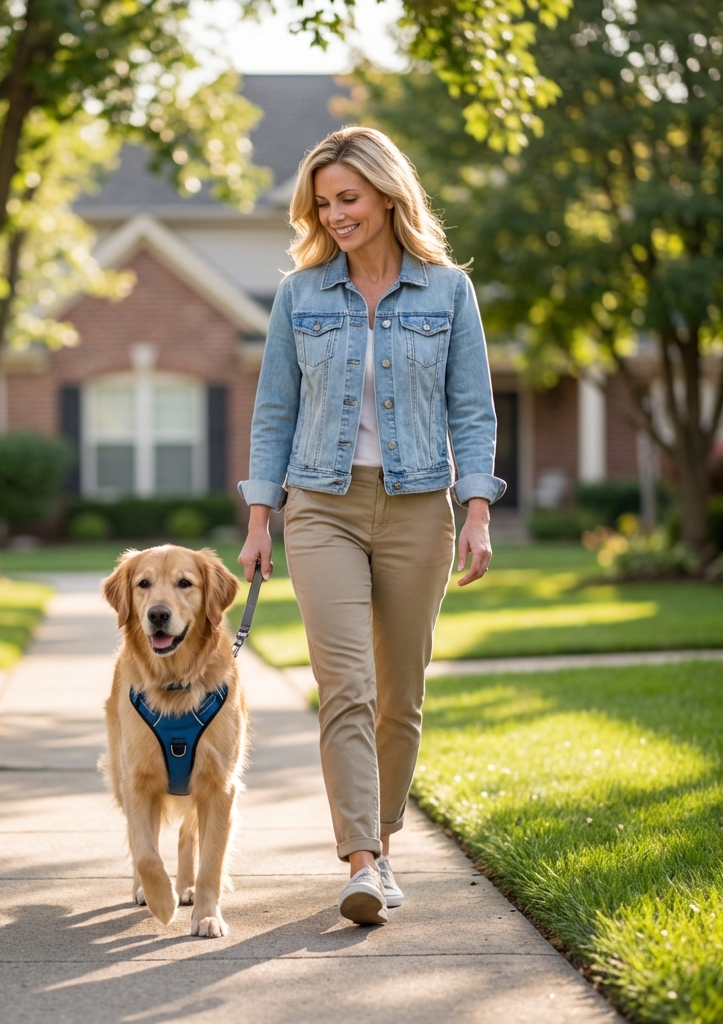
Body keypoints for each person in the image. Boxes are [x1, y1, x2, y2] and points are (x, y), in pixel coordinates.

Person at [237, 126, 505, 926]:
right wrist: (261, 516)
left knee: (400, 697)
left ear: (389, 194)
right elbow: (273, 411)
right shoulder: (302, 294)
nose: (336, 215)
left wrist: (479, 511)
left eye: (348, 199)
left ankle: (381, 846)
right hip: (321, 504)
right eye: (323, 203)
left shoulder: (448, 292)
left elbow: (473, 410)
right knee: (345, 687)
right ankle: (360, 860)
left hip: (421, 505)